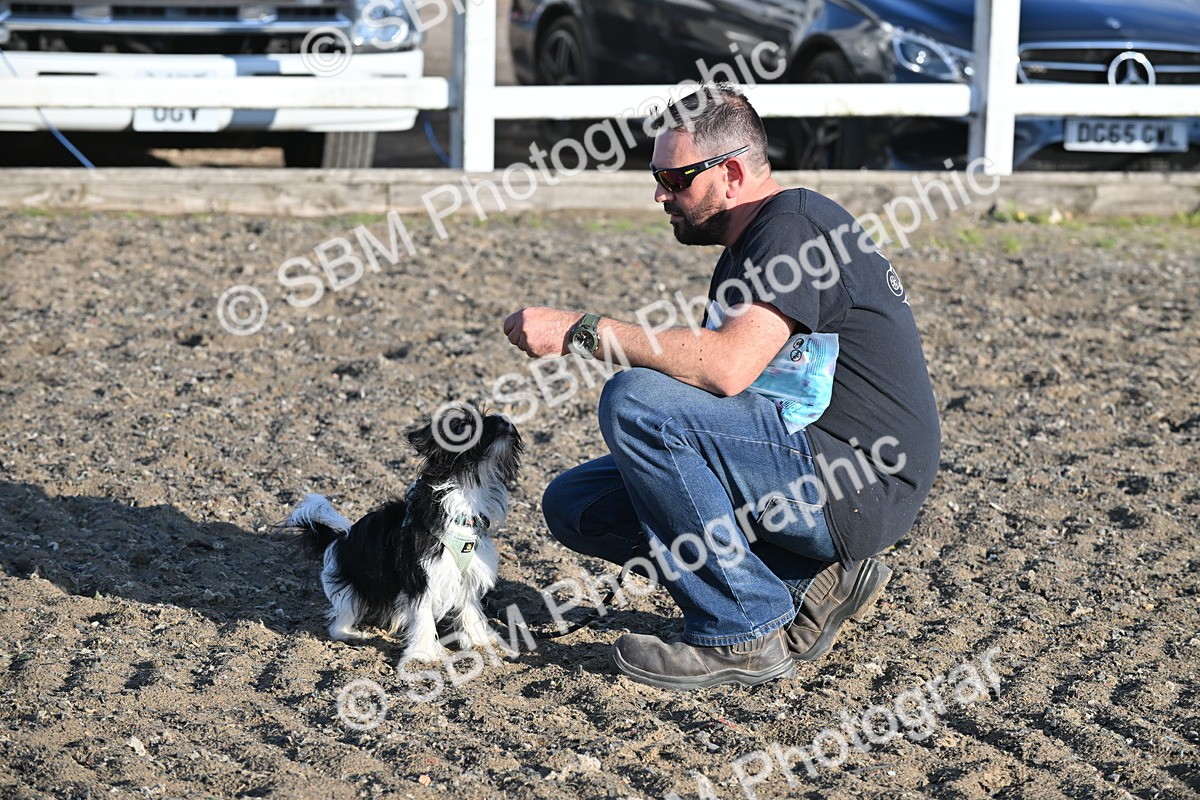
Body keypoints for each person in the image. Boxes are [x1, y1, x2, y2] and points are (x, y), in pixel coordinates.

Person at [502, 83, 940, 691]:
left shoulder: (794, 229)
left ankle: (743, 631)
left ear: (731, 172)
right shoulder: (757, 241)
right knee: (578, 507)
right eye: (656, 175)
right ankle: (804, 579)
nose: (661, 193)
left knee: (636, 403)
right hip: (815, 463)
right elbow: (730, 393)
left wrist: (582, 329)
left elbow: (726, 368)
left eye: (675, 178)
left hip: (858, 478)